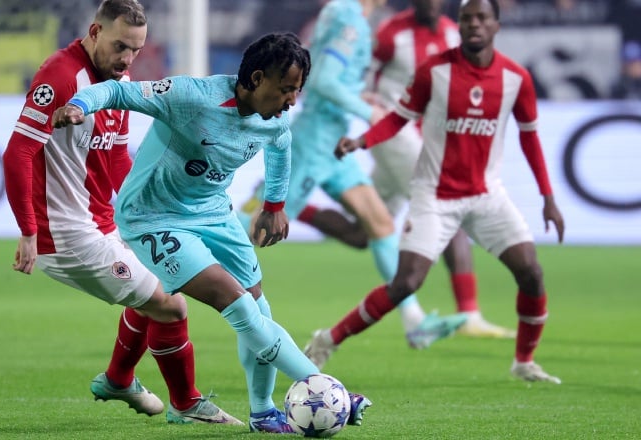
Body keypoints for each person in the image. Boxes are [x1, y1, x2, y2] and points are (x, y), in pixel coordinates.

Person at [50, 32, 372, 433]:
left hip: (214, 213)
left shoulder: (275, 118)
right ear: (255, 79)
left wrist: (274, 206)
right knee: (235, 302)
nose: (293, 101)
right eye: (286, 90)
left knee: (260, 308)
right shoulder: (191, 97)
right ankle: (325, 388)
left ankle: (262, 411)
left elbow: (280, 148)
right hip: (154, 217)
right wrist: (81, 104)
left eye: (297, 91)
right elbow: (117, 91)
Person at [2, 0, 242, 426]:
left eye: (135, 49)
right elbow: (19, 151)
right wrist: (27, 230)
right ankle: (185, 404)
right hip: (66, 233)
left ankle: (117, 379)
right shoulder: (60, 76)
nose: (127, 59)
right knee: (171, 305)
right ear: (94, 33)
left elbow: (115, 160)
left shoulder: (118, 81)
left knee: (163, 282)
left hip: (103, 224)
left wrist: (156, 211)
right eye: (119, 47)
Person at [304, 0, 566, 384]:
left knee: (531, 272)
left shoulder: (516, 78)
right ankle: (328, 339)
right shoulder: (435, 70)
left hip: (487, 196)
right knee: (405, 283)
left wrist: (548, 198)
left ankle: (524, 361)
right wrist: (363, 140)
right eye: (467, 19)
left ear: (497, 24)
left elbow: (531, 140)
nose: (473, 24)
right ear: (458, 25)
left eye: (482, 18)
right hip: (435, 196)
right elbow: (398, 117)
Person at [238, 0, 468, 350]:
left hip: (333, 141)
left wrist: (362, 96)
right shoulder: (349, 19)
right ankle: (180, 238)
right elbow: (327, 81)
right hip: (315, 141)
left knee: (379, 223)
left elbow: (327, 75)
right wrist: (368, 111)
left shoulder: (346, 14)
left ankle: (415, 321)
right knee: (259, 227)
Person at [298, 0, 516, 339]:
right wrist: (368, 105)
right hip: (387, 134)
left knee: (370, 230)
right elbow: (338, 74)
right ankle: (469, 312)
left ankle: (293, 207)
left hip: (403, 137)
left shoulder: (448, 32)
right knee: (447, 207)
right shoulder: (382, 29)